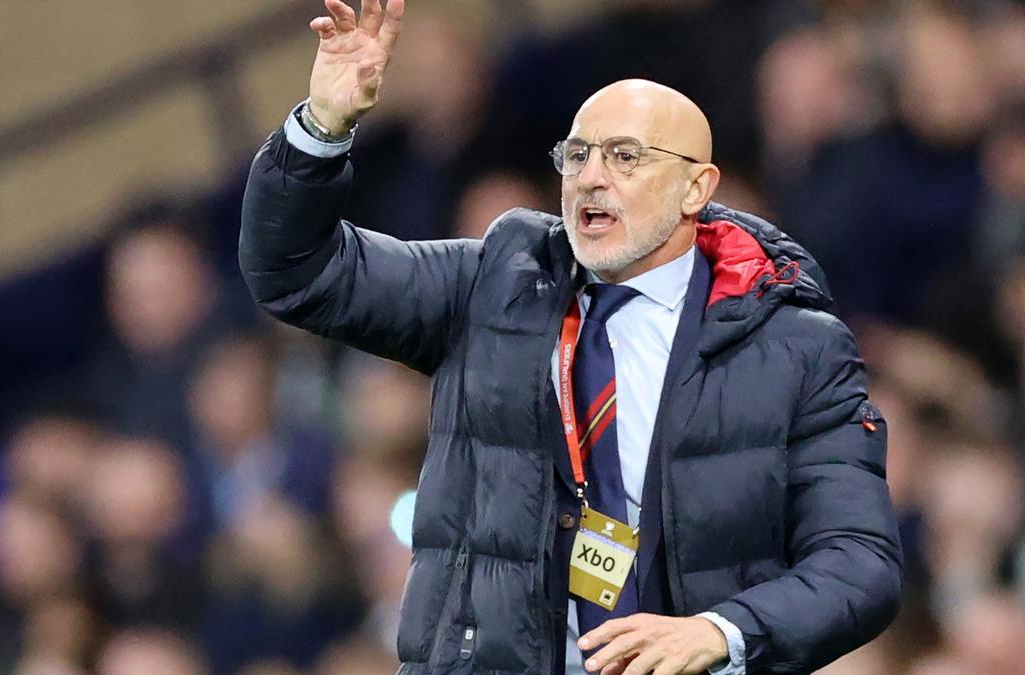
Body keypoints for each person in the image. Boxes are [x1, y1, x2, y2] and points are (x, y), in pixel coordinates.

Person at [239, 1, 902, 673]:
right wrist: (323, 128)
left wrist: (721, 631)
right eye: (577, 154)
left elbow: (859, 562)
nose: (590, 176)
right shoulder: (491, 283)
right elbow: (298, 270)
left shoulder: (797, 345)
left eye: (625, 156)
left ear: (695, 187)